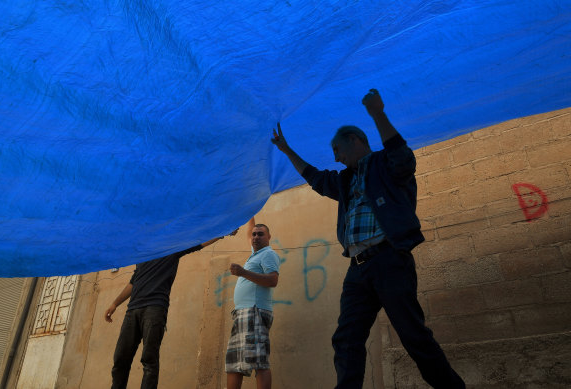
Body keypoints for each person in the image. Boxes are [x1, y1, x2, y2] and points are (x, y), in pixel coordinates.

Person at [271, 89, 465, 388]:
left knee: (413, 335)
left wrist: (377, 113)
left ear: (356, 140)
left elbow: (403, 159)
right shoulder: (345, 181)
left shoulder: (385, 165)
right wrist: (287, 150)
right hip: (358, 270)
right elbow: (316, 178)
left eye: (337, 149)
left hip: (389, 260)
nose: (336, 157)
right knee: (346, 339)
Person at [105, 233, 235, 389]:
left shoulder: (171, 249)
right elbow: (133, 283)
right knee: (120, 359)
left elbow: (199, 243)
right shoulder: (143, 256)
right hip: (132, 311)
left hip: (155, 308)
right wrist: (114, 303)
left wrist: (222, 233)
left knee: (149, 360)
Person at [226, 219, 280, 389]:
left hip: (255, 312)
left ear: (269, 237)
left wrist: (242, 272)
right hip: (242, 313)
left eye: (260, 234)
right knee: (234, 363)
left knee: (259, 362)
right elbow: (250, 229)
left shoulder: (268, 254)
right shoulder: (255, 253)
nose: (256, 237)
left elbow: (272, 280)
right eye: (254, 234)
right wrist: (249, 207)